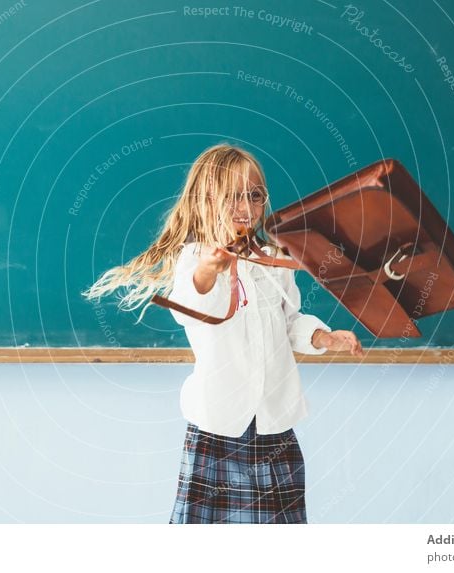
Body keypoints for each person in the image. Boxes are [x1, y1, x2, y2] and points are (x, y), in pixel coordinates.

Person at [83, 143, 362, 523]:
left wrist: (323, 338)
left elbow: (288, 322)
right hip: (219, 425)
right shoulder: (195, 258)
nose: (247, 208)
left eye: (255, 195)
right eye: (233, 197)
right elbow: (194, 310)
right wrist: (209, 271)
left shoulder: (272, 259)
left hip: (273, 423)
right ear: (207, 200)